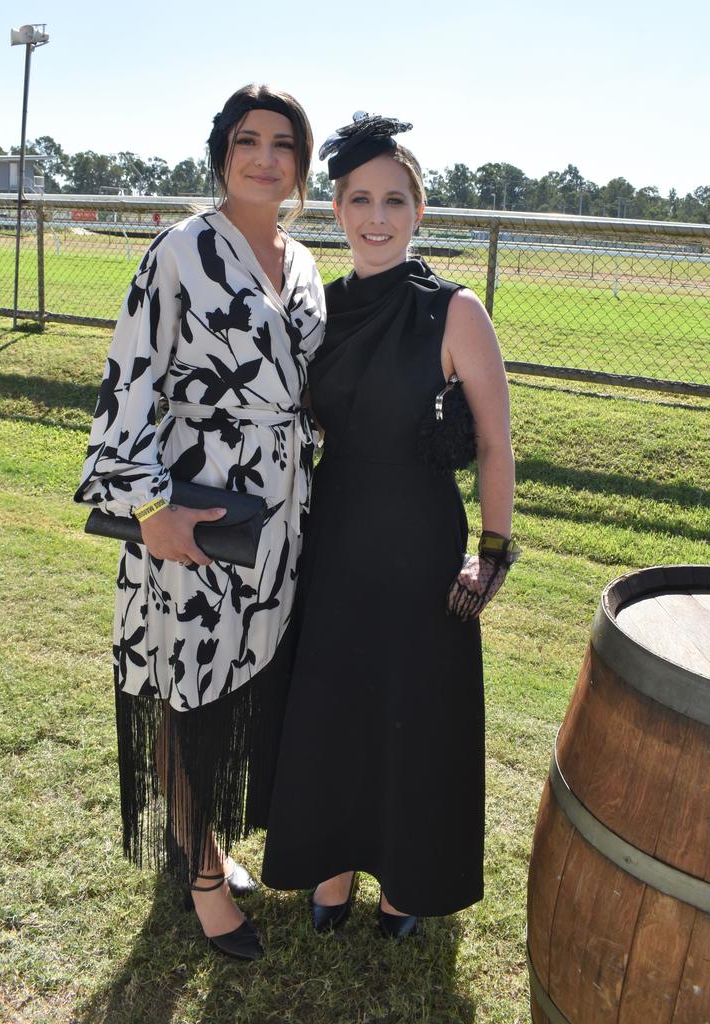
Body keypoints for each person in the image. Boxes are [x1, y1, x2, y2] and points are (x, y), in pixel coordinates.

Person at [75, 84, 325, 961]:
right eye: (247, 139)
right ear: (221, 151)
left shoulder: (303, 262)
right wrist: (149, 511)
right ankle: (206, 879)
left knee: (240, 690)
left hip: (280, 528)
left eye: (283, 143)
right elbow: (125, 387)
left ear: (301, 163)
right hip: (198, 523)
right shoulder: (180, 251)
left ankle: (206, 836)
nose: (266, 157)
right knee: (189, 694)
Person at [261, 113, 517, 938]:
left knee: (413, 712)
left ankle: (406, 883)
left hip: (421, 546)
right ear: (335, 209)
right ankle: (329, 869)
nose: (377, 217)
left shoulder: (456, 311)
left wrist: (493, 554)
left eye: (395, 201)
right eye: (361, 199)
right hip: (333, 536)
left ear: (419, 212)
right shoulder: (317, 310)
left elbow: (494, 444)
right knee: (333, 704)